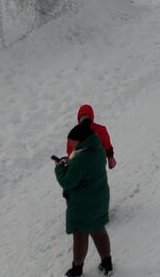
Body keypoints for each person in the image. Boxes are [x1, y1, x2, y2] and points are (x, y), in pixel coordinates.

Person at [56, 122, 113, 276]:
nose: (70, 144)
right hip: (99, 199)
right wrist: (72, 163)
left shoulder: (81, 159)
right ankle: (107, 263)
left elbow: (68, 182)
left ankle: (77, 268)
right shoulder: (97, 149)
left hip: (83, 204)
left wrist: (60, 167)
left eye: (72, 141)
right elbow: (86, 170)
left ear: (81, 140)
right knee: (99, 232)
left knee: (80, 236)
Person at [66, 105, 115, 170]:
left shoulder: (74, 133)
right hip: (98, 165)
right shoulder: (101, 129)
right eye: (82, 118)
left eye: (85, 117)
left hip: (82, 168)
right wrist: (110, 158)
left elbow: (70, 154)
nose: (84, 120)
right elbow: (107, 147)